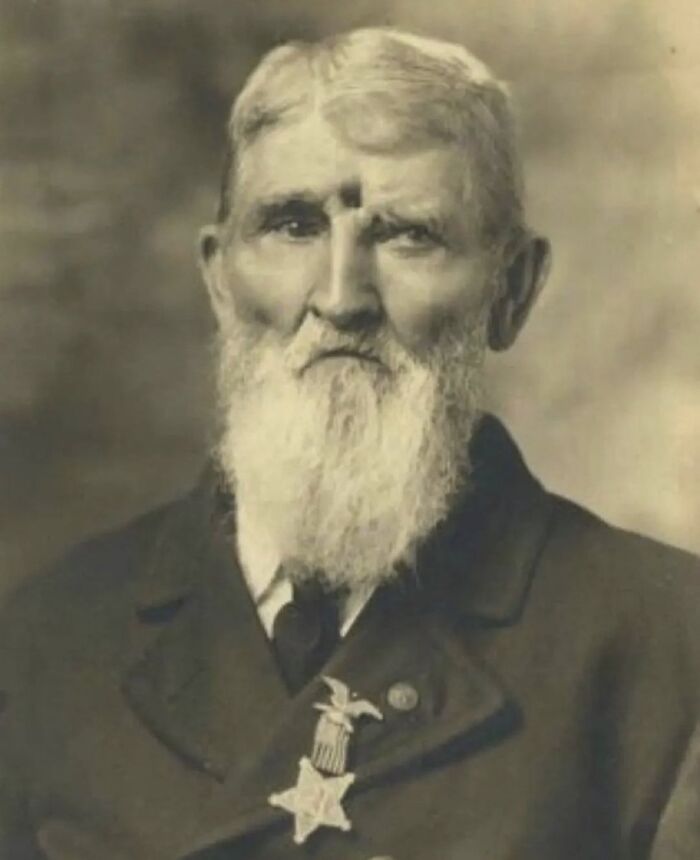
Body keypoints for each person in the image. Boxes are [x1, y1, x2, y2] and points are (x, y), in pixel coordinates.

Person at [1, 26, 698, 860]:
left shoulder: (668, 648)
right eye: (294, 225)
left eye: (408, 234)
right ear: (221, 282)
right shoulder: (49, 637)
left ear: (511, 291)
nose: (341, 297)